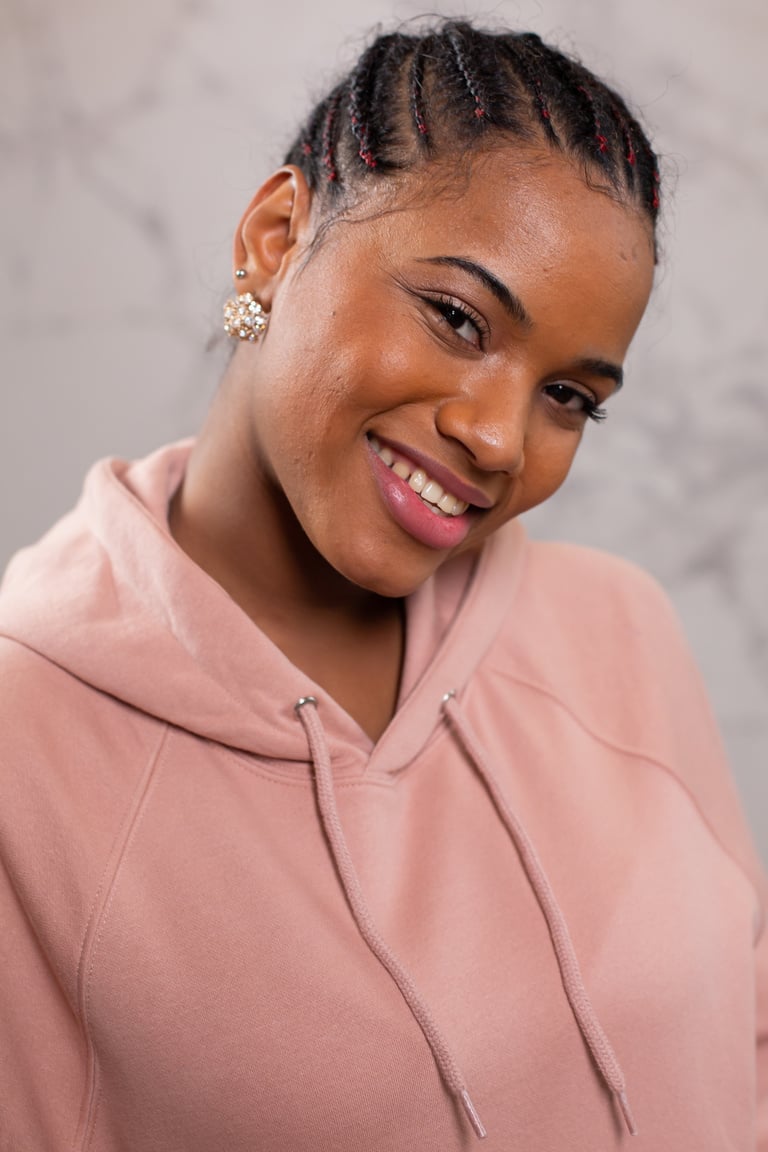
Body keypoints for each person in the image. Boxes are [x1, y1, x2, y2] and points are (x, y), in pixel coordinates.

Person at [0, 18, 765, 1151]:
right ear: (273, 236)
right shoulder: (25, 748)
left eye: (570, 397)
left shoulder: (620, 626)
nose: (500, 438)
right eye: (457, 318)